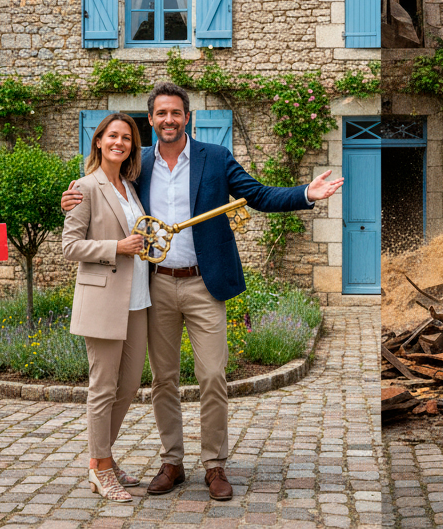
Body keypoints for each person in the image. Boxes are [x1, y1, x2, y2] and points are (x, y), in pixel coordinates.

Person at [62, 82, 341, 501]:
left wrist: (305, 193)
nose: (168, 120)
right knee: (163, 380)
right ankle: (172, 461)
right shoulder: (140, 167)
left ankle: (215, 465)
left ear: (187, 118)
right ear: (151, 120)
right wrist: (70, 197)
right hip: (156, 286)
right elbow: (103, 197)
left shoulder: (216, 158)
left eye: (176, 113)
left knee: (212, 375)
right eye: (161, 114)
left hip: (204, 284)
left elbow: (258, 195)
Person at [62, 112, 149, 504]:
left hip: (138, 299)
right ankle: (99, 467)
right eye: (112, 136)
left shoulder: (131, 187)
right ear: (98, 141)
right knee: (102, 388)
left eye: (127, 138)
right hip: (102, 299)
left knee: (129, 385)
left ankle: (105, 460)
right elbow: (70, 247)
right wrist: (117, 247)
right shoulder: (85, 187)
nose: (119, 142)